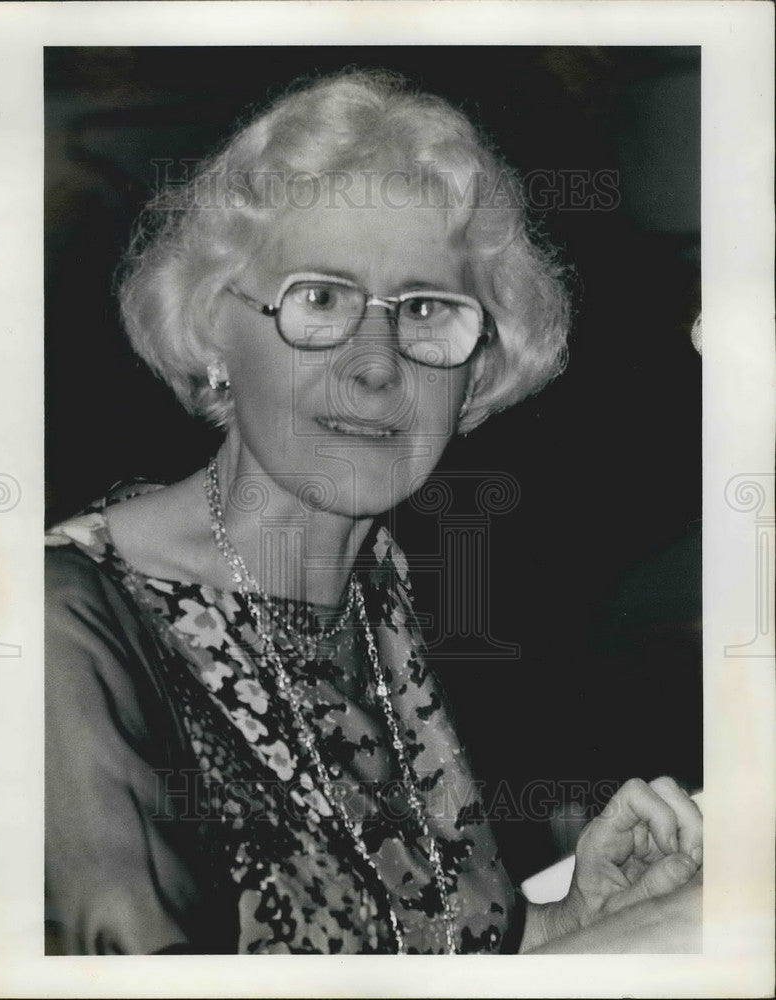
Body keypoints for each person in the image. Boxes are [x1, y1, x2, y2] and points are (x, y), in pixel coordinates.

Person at [45, 69, 702, 955]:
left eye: (426, 308)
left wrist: (566, 923)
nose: (376, 365)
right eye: (320, 299)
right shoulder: (69, 631)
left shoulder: (376, 588)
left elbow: (406, 951)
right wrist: (632, 950)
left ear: (477, 369)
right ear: (210, 333)